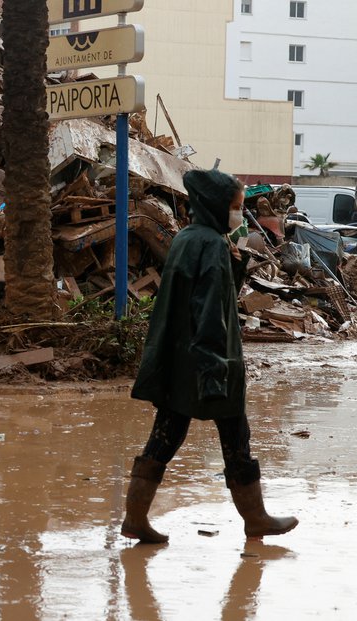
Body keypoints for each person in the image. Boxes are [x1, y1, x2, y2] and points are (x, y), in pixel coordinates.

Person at [121, 168, 298, 544]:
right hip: (207, 359)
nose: (240, 215)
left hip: (180, 359)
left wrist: (235, 260)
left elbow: (203, 295)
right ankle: (256, 518)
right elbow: (211, 310)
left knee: (166, 434)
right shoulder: (212, 246)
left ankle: (135, 518)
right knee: (236, 435)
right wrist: (216, 367)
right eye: (236, 207)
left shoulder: (189, 238)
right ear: (217, 205)